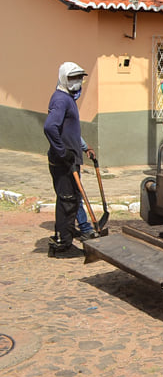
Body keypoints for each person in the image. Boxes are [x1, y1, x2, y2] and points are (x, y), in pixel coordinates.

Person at [43, 62, 96, 254]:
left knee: (71, 199)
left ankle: (67, 237)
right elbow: (50, 127)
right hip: (63, 161)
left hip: (70, 159)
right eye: (73, 78)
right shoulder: (61, 99)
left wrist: (84, 147)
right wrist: (62, 151)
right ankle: (63, 244)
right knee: (67, 200)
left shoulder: (68, 98)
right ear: (64, 78)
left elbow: (70, 130)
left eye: (80, 78)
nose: (78, 81)